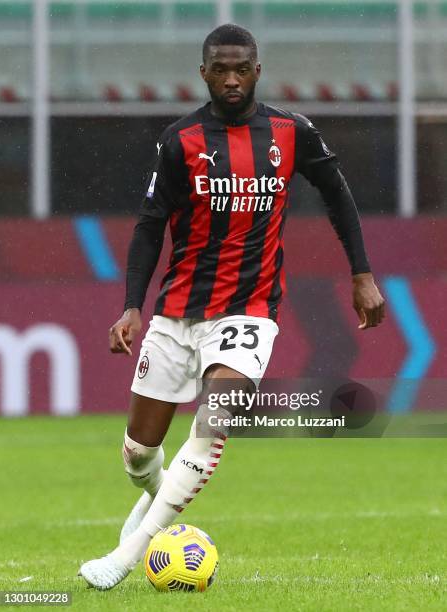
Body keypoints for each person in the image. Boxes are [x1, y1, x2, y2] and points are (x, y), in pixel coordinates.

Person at [79, 23, 385, 590]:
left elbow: (337, 194)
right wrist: (130, 306)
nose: (232, 79)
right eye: (220, 69)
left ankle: (126, 557)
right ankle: (157, 498)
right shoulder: (181, 139)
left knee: (217, 415)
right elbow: (150, 227)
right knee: (137, 455)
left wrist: (361, 272)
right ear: (203, 74)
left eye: (241, 67)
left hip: (249, 309)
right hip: (178, 312)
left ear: (258, 70)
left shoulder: (292, 132)